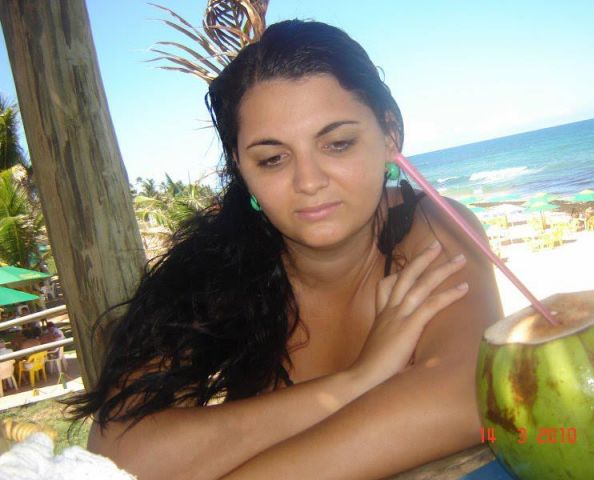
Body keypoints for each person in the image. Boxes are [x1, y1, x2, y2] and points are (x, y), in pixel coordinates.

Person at [66, 20, 502, 479]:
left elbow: (468, 400)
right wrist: (358, 381)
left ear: (389, 134)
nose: (309, 182)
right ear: (241, 168)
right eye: (272, 159)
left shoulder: (432, 230)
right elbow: (121, 454)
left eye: (337, 144)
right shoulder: (216, 268)